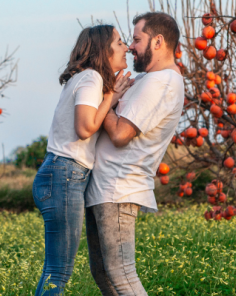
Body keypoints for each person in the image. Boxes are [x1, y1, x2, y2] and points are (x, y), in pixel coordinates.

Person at [84, 12, 185, 295]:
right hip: (105, 188)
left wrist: (107, 100)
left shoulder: (162, 82)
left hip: (119, 187)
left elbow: (120, 134)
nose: (130, 46)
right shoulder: (149, 80)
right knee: (104, 273)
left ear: (158, 41)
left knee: (121, 274)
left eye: (137, 39)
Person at [32, 25, 132, 295]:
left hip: (60, 174)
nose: (127, 47)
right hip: (65, 175)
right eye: (120, 42)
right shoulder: (91, 79)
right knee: (59, 270)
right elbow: (85, 128)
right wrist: (111, 97)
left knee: (55, 268)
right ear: (103, 49)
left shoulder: (82, 78)